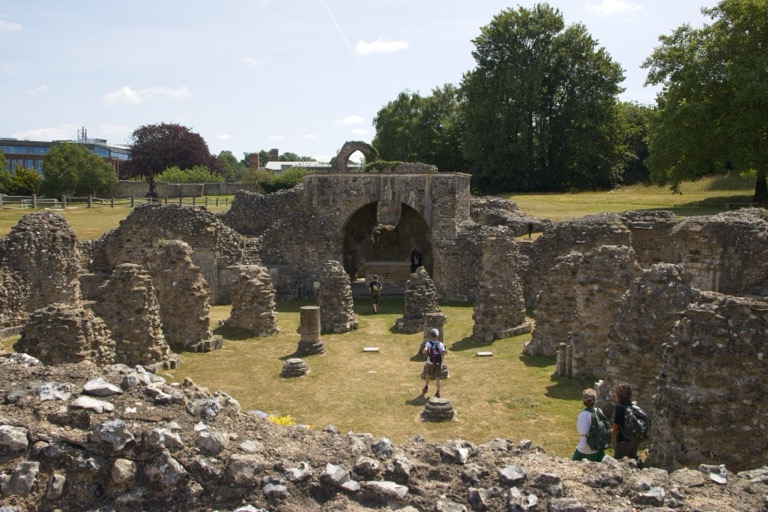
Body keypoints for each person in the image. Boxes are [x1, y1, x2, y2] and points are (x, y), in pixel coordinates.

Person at [611, 383, 644, 467]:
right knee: (632, 460)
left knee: (617, 463)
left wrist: (609, 438)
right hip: (635, 439)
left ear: (619, 395)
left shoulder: (620, 408)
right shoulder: (634, 406)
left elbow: (615, 426)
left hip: (624, 440)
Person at [572, 388, 605, 462]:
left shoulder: (583, 414)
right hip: (598, 447)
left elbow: (583, 432)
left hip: (585, 448)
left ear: (583, 401)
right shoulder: (599, 411)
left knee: (573, 464)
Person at [421, 328, 446, 398]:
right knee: (438, 378)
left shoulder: (428, 343)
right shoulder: (440, 344)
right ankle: (438, 392)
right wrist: (441, 361)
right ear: (437, 336)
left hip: (430, 362)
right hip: (438, 363)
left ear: (431, 336)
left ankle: (426, 387)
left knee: (428, 375)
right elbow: (443, 353)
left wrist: (425, 353)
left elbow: (425, 350)